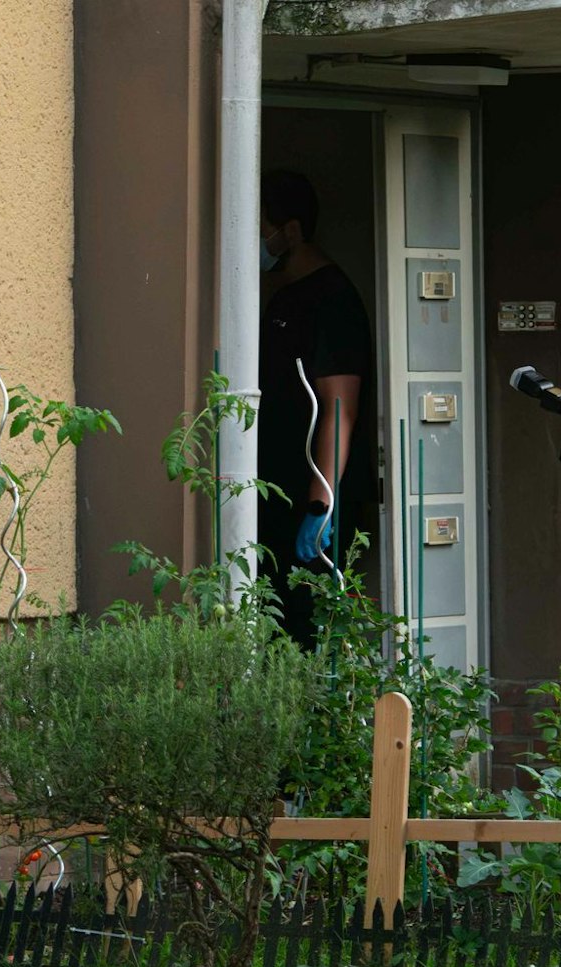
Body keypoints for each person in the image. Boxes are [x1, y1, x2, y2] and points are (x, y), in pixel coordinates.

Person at [258, 169, 377, 647]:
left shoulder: (332, 300)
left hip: (311, 496)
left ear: (290, 230)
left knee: (308, 624)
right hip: (277, 489)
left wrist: (320, 504)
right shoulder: (285, 297)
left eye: (262, 226)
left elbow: (340, 408)